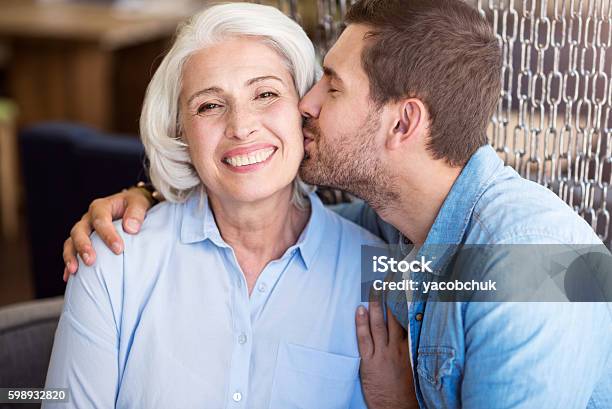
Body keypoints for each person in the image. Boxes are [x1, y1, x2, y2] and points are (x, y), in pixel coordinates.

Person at [62, 0, 612, 408]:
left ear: (403, 122)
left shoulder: (532, 265)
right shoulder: (400, 230)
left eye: (332, 86)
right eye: (209, 106)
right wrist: (153, 194)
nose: (307, 104)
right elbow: (258, 216)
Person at [44, 3, 416, 408]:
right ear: (180, 132)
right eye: (209, 105)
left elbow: (490, 272)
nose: (241, 126)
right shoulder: (116, 262)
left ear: (306, 110)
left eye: (266, 94)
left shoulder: (382, 273)